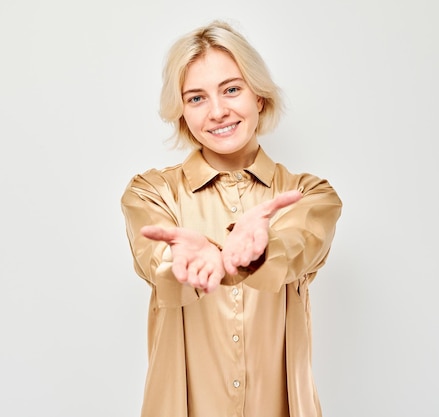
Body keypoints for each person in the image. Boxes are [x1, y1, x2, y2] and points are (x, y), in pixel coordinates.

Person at [121, 19, 342, 417]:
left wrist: (258, 251)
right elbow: (157, 260)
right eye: (196, 98)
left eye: (231, 89)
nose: (218, 111)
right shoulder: (149, 194)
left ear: (258, 96)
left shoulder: (309, 195)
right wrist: (184, 263)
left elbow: (297, 245)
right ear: (182, 112)